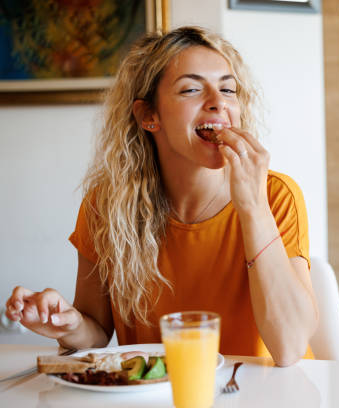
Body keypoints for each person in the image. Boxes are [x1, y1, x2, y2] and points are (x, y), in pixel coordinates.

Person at [4, 26, 319, 367]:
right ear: (148, 116)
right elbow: (96, 332)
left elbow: (288, 349)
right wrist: (66, 324)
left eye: (228, 89)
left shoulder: (274, 195)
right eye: (192, 89)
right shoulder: (107, 206)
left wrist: (253, 206)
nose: (218, 102)